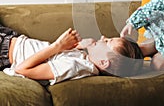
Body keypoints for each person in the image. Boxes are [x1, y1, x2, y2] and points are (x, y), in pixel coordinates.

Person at [0, 27, 143, 85]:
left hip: (5, 51)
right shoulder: (85, 60)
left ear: (104, 62)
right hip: (11, 38)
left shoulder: (75, 67)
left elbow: (21, 69)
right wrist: (82, 46)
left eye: (107, 41)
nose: (103, 36)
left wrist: (57, 45)